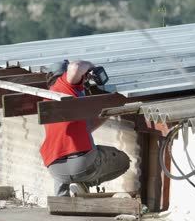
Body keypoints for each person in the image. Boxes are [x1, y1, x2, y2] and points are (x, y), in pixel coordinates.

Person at [41, 60, 130, 197]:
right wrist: (91, 66)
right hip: (82, 163)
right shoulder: (65, 85)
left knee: (61, 154)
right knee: (122, 161)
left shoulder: (48, 98)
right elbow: (76, 67)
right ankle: (85, 184)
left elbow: (86, 127)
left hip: (55, 168)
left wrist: (108, 112)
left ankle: (61, 200)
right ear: (63, 75)